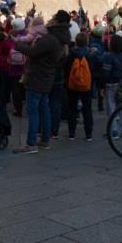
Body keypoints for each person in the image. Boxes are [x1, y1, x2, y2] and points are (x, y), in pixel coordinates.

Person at [13, 10, 70, 154]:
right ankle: (45, 140)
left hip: (37, 77)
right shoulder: (60, 39)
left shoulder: (50, 39)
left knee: (33, 111)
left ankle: (31, 144)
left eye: (53, 17)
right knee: (44, 109)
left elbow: (33, 52)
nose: (50, 18)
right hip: (47, 77)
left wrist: (17, 44)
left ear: (56, 21)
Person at [65, 32, 97, 141]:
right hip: (87, 85)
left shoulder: (71, 54)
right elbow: (93, 69)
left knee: (72, 108)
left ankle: (72, 133)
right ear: (87, 42)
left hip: (73, 84)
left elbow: (67, 69)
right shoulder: (90, 54)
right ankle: (89, 134)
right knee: (87, 108)